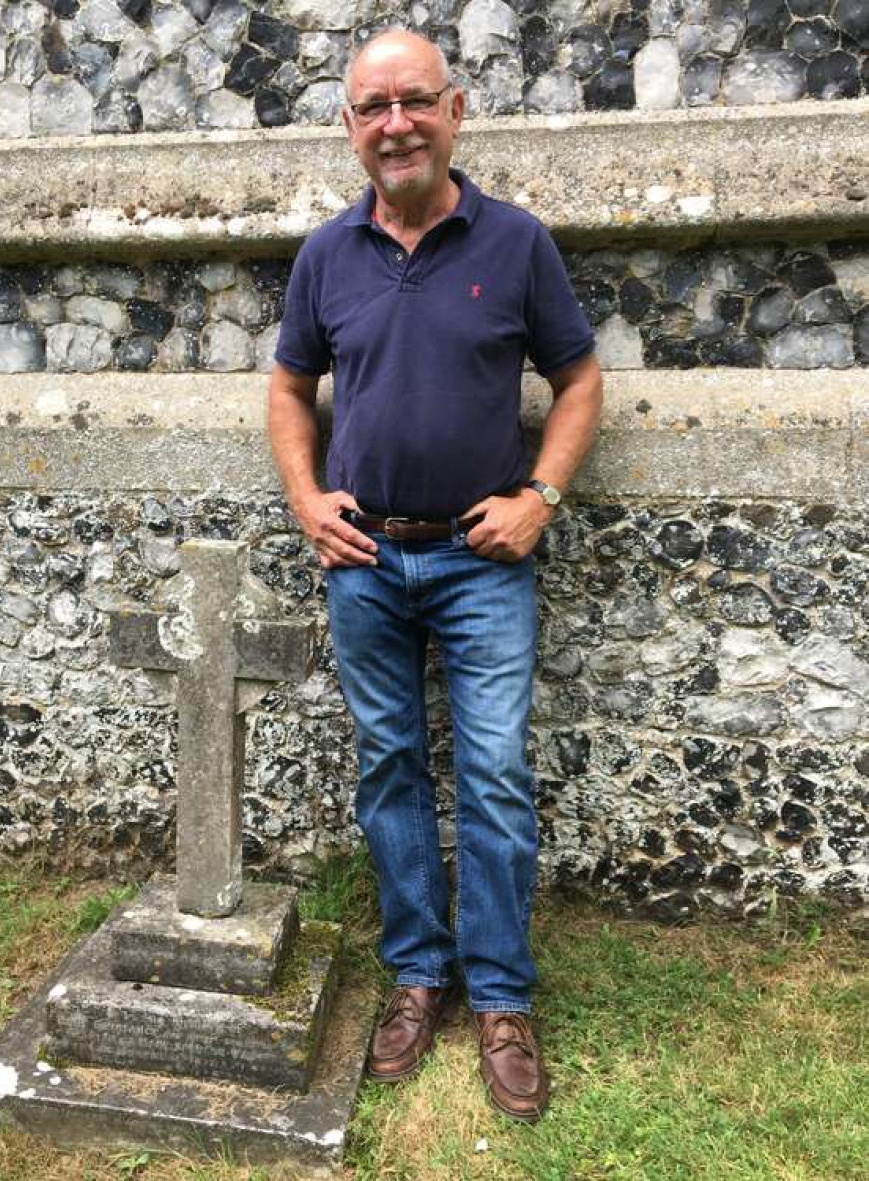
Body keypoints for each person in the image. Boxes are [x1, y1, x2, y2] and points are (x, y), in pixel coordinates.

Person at [267, 27, 602, 1122]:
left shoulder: (515, 244)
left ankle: (500, 996)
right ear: (350, 127)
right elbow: (288, 387)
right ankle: (418, 974)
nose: (395, 123)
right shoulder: (324, 255)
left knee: (495, 774)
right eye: (373, 107)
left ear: (455, 110)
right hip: (365, 558)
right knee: (391, 768)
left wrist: (539, 498)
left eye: (414, 100)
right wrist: (307, 501)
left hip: (478, 558)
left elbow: (580, 377)